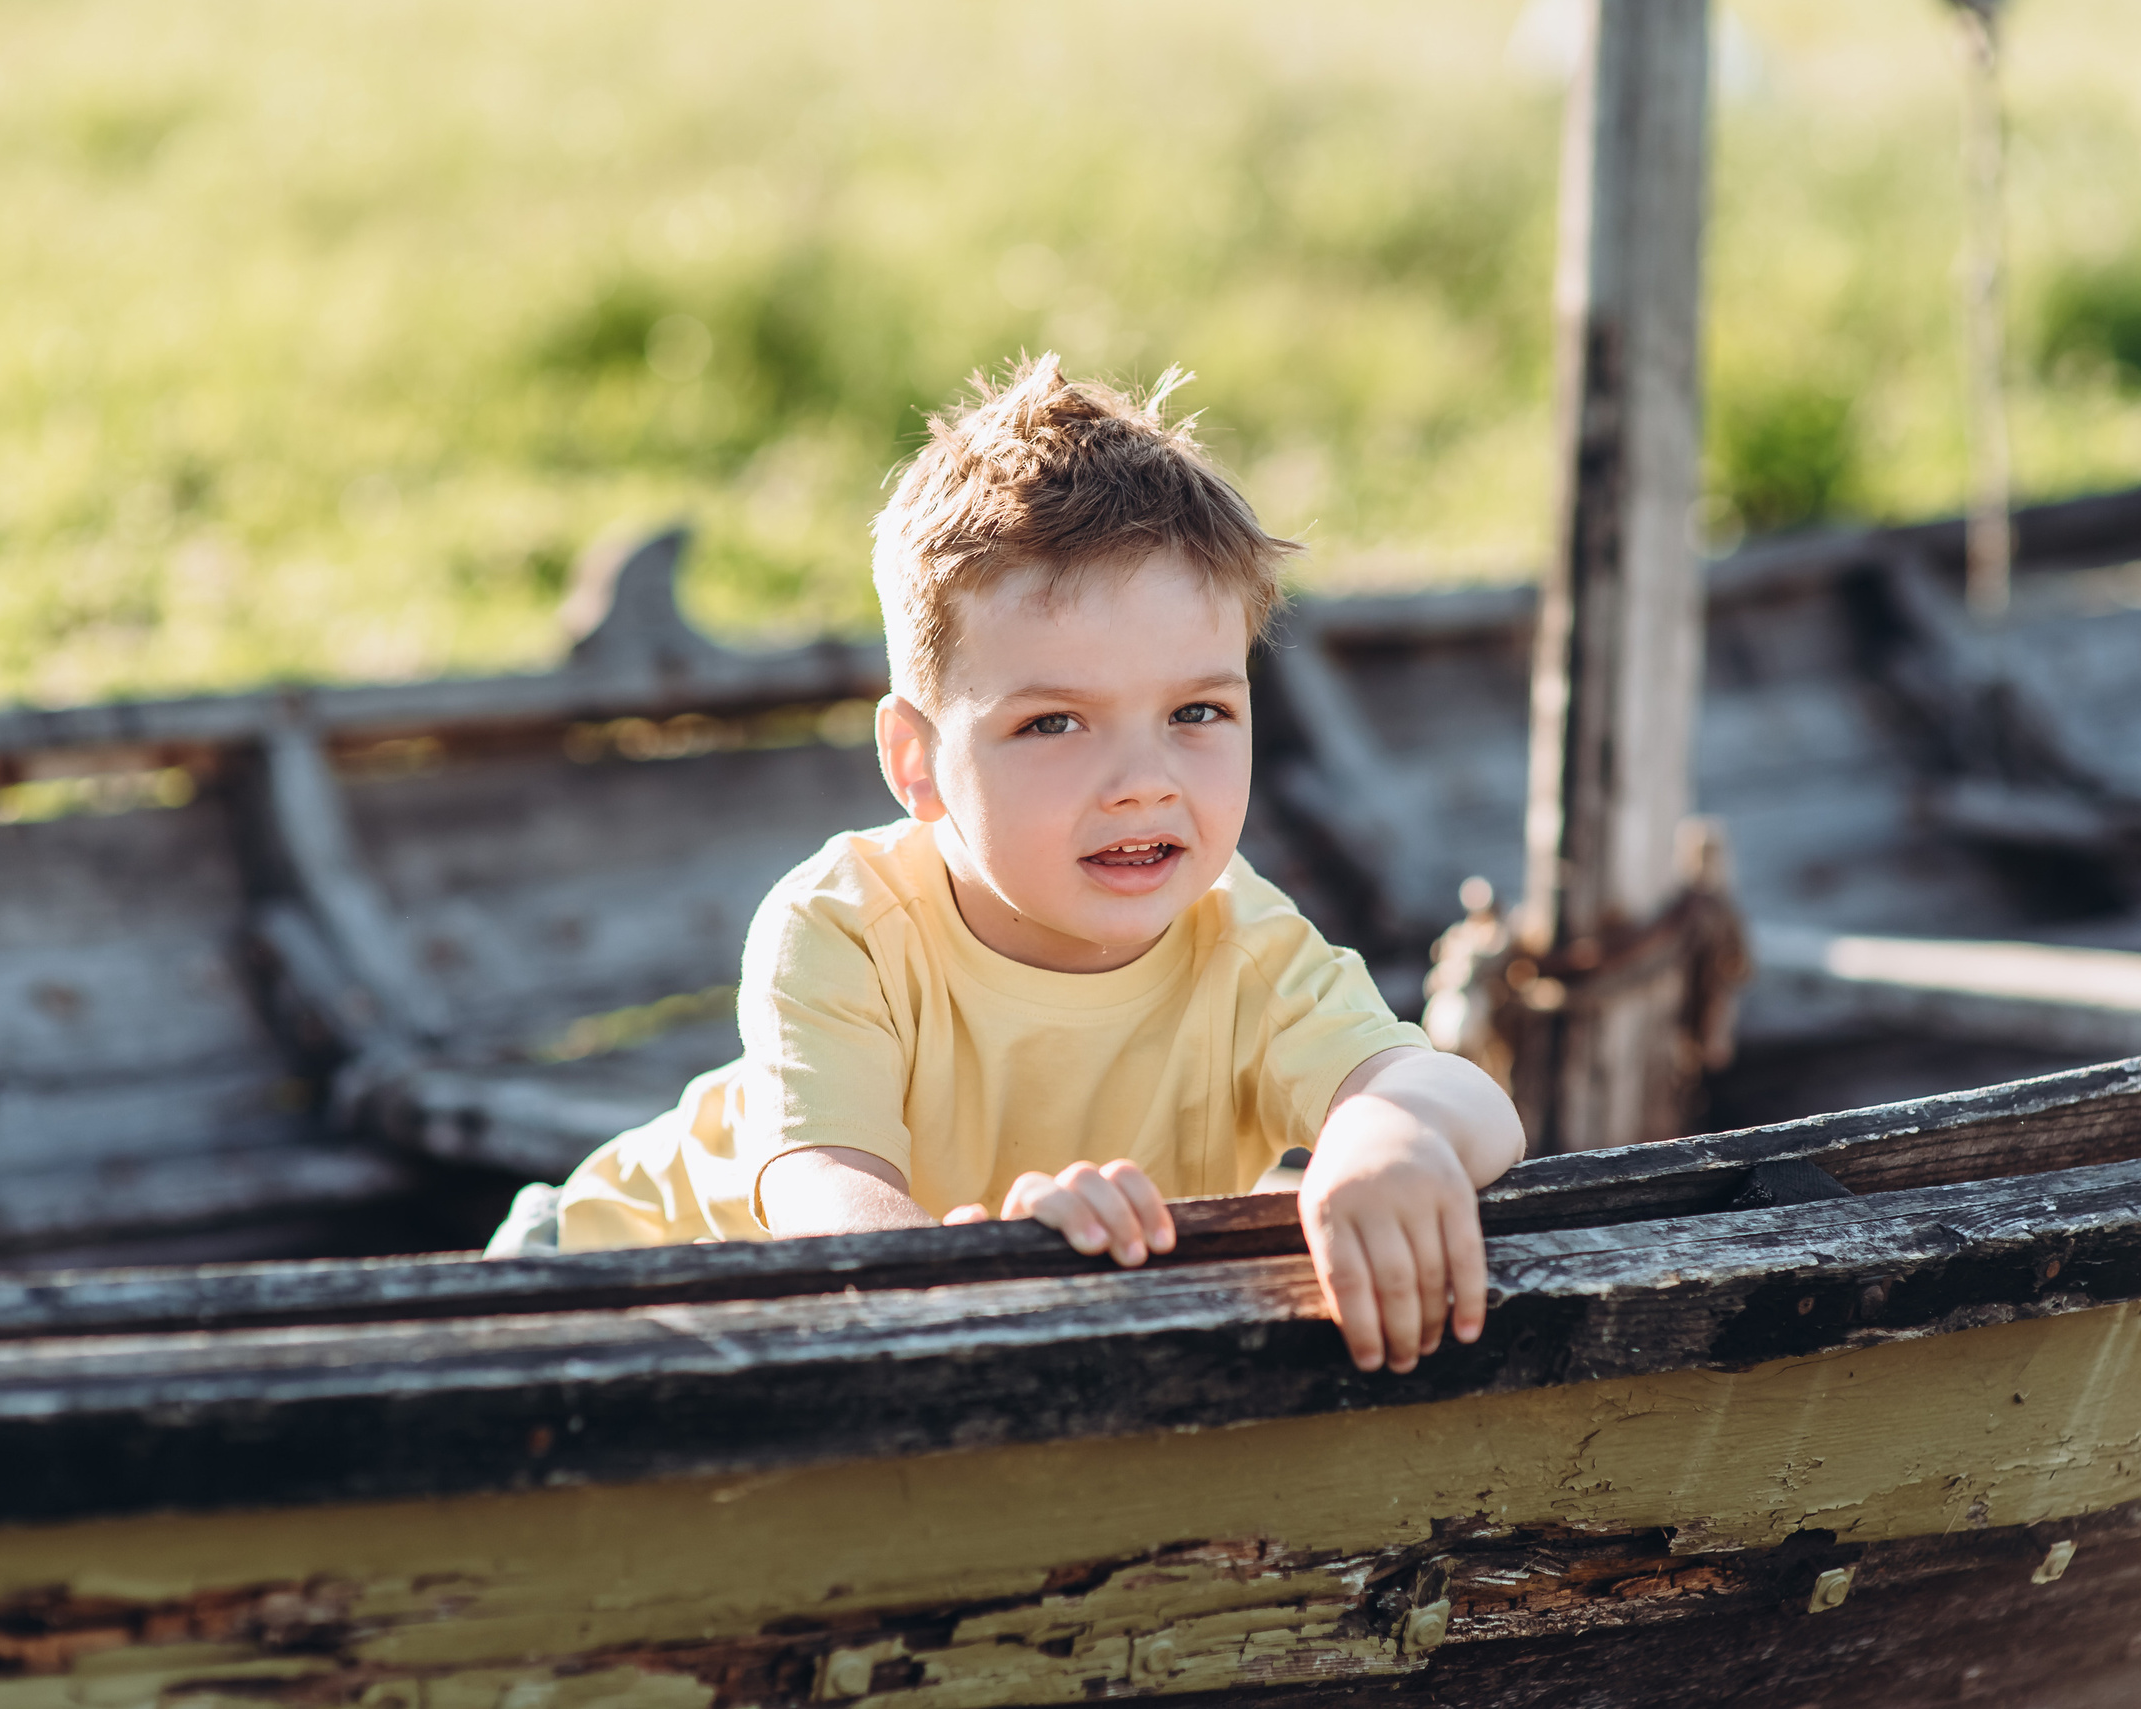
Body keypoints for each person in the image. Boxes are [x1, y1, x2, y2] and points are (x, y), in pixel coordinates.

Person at [543, 354, 1526, 1374]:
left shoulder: (1245, 946)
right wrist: (986, 1260)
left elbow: (1467, 1100)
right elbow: (828, 1199)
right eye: (1053, 722)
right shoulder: (844, 926)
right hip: (607, 1283)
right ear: (915, 762)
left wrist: (1384, 1136)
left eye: (1197, 712)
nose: (1142, 782)